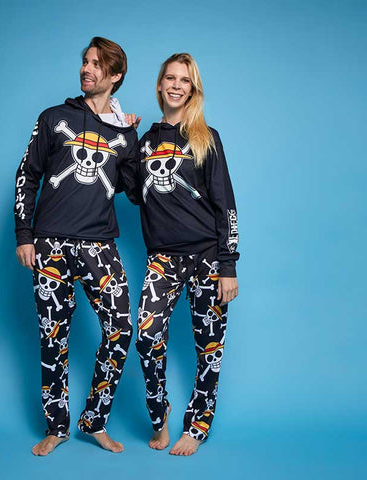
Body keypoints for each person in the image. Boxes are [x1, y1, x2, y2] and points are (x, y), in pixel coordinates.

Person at [14, 37, 139, 456]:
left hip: (99, 245)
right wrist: (24, 234)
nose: (87, 69)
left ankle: (95, 421)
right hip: (49, 244)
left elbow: (134, 192)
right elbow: (27, 174)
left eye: (97, 64)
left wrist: (130, 137)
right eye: (85, 61)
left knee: (120, 328)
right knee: (53, 338)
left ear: (115, 76)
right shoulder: (54, 118)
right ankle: (57, 427)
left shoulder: (123, 132)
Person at [135, 53, 239, 456]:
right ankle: (159, 414)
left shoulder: (205, 138)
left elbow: (226, 205)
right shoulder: (145, 144)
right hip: (163, 258)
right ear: (159, 85)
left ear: (193, 89)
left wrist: (228, 265)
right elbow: (132, 192)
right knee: (147, 337)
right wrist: (123, 137)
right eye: (170, 78)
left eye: (184, 80)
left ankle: (197, 425)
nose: (176, 85)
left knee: (209, 349)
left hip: (208, 257)